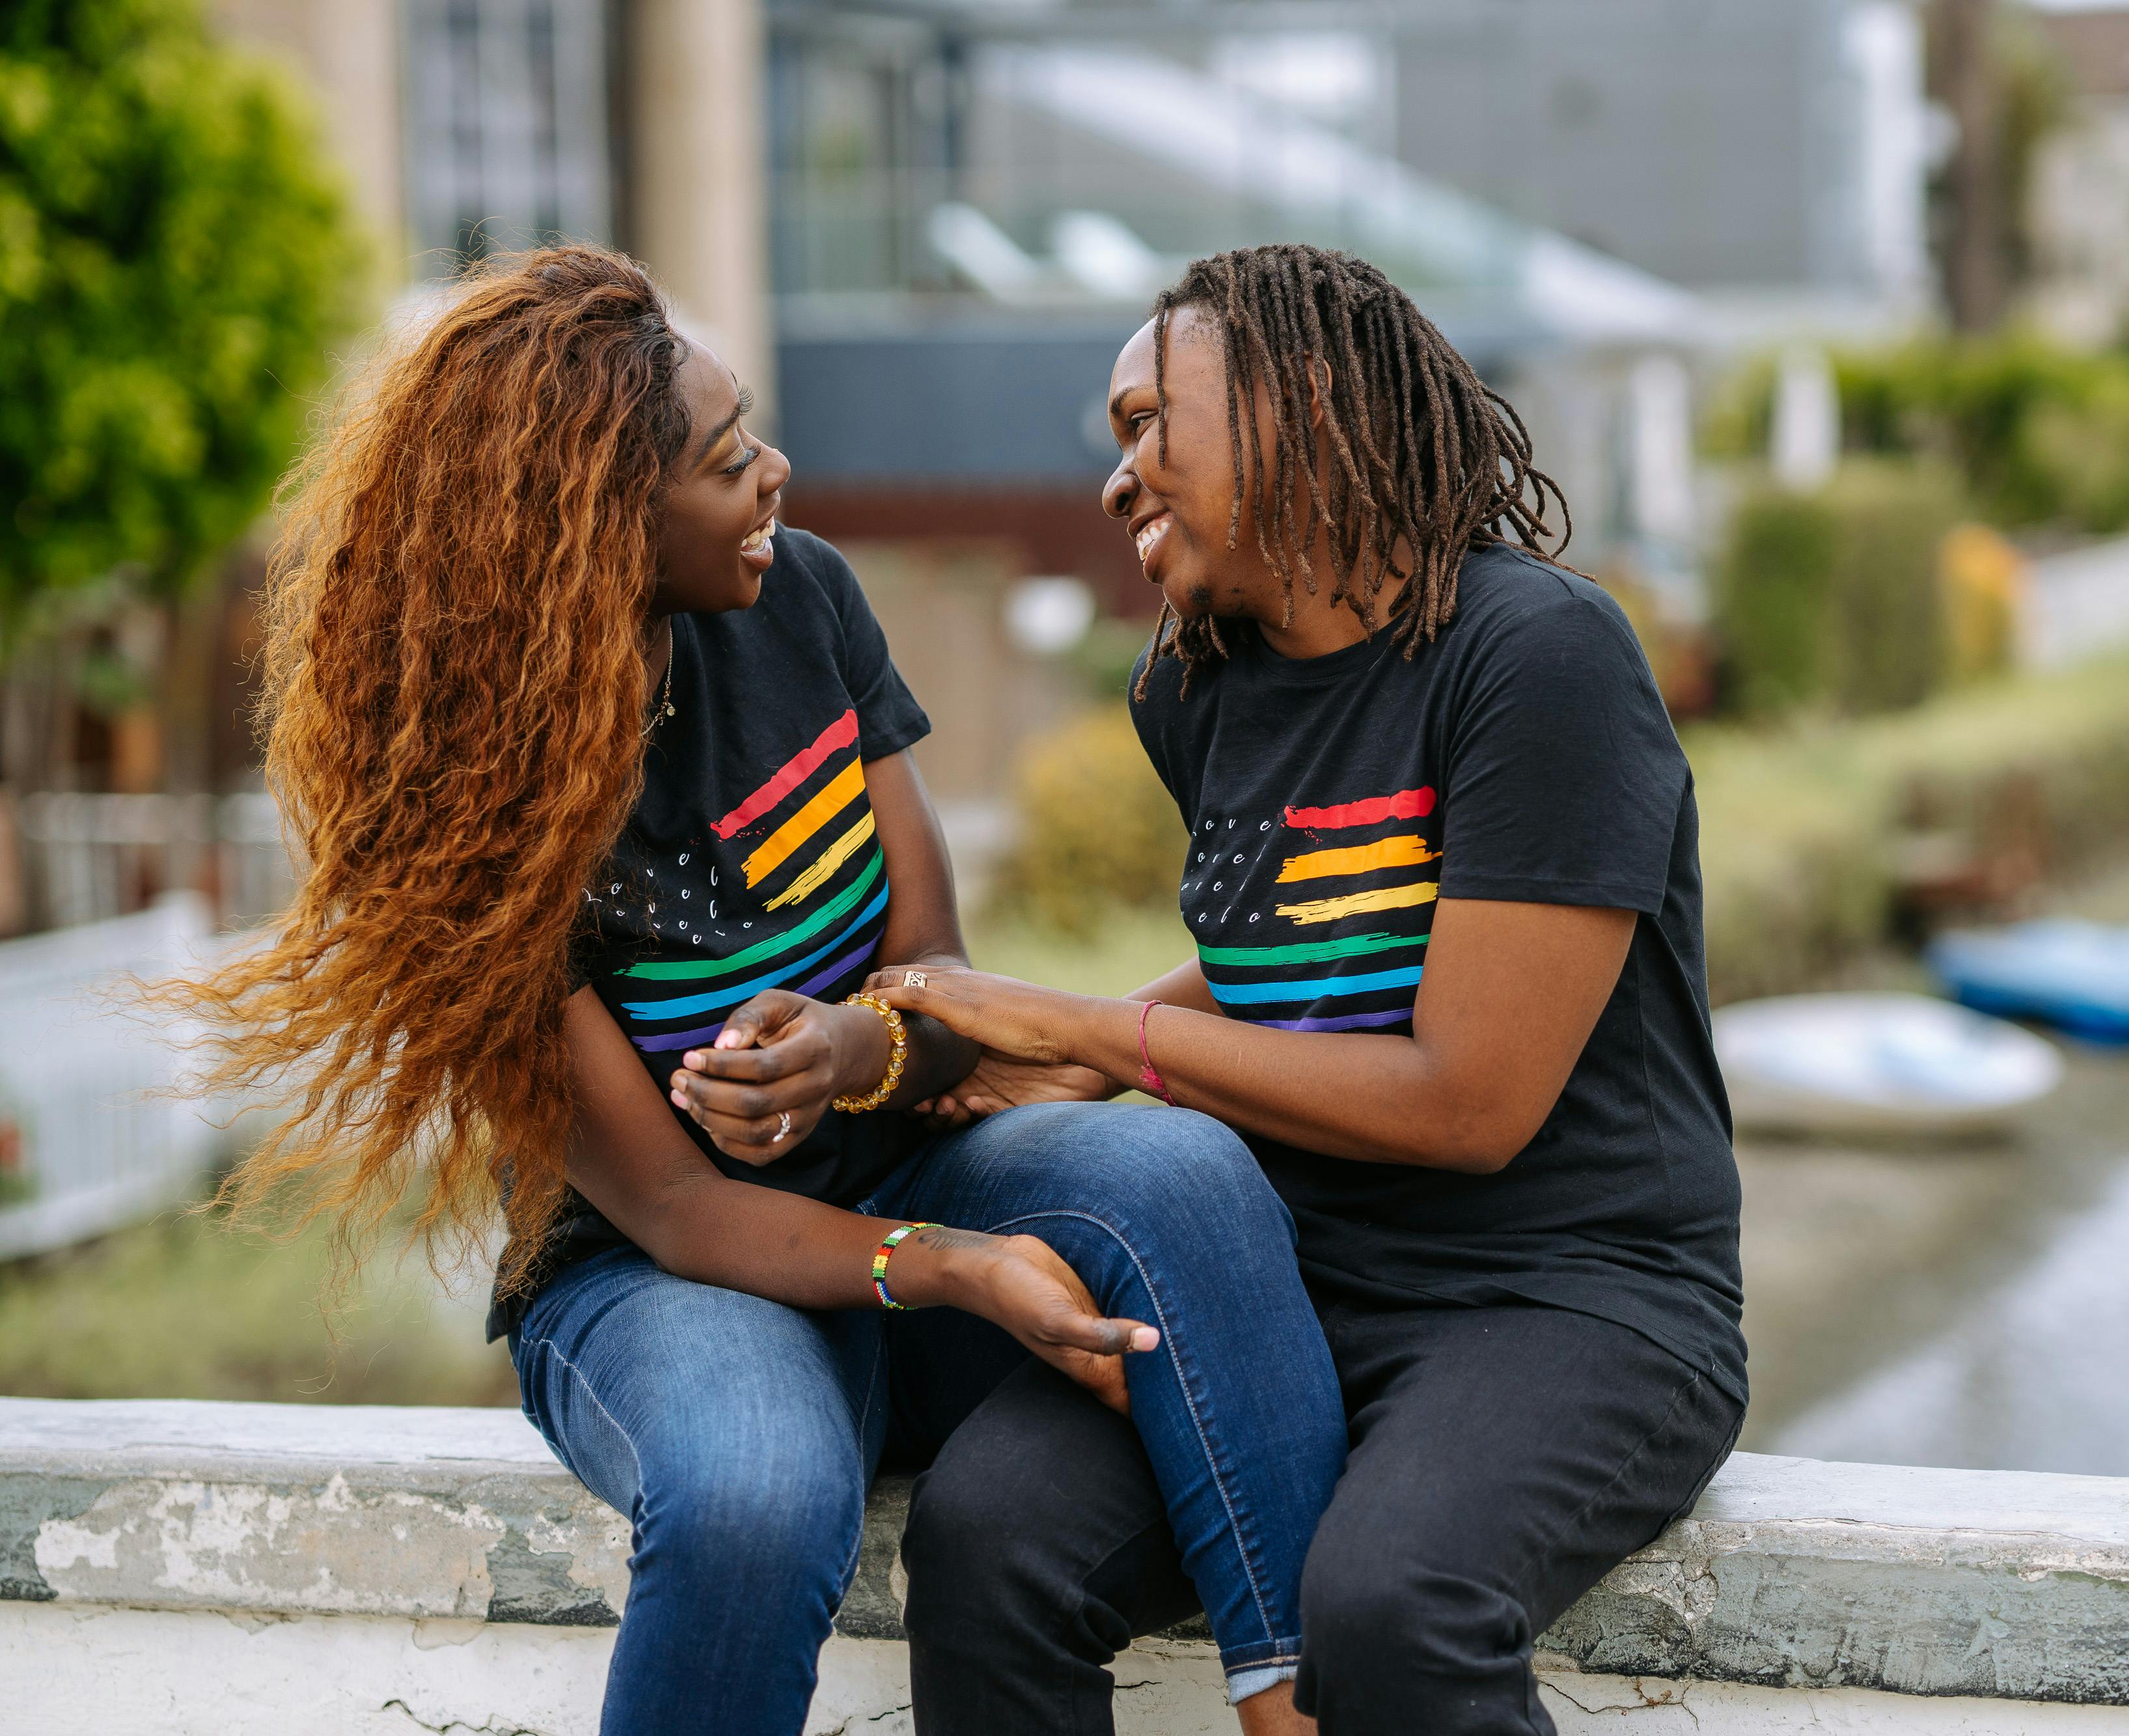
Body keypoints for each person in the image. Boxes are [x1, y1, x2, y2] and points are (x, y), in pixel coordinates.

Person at [165, 244, 1345, 1736]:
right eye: (729, 460)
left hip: (924, 1165)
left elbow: (934, 980)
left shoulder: (804, 604)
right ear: (596, 523)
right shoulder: (462, 819)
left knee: (1178, 1169)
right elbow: (672, 1204)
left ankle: (1293, 1699)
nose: (776, 471)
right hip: (666, 1279)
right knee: (753, 1492)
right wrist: (959, 1268)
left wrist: (860, 1048)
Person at [862, 244, 1750, 1735]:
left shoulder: (1537, 655)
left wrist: (1088, 1029)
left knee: (1389, 1607)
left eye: (1151, 421)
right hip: (1289, 1284)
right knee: (986, 1539)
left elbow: (1468, 1099)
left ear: (1301, 403)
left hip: (1576, 1298)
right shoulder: (1190, 692)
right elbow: (1309, 939)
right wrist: (1080, 1062)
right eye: (1113, 439)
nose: (1117, 474)